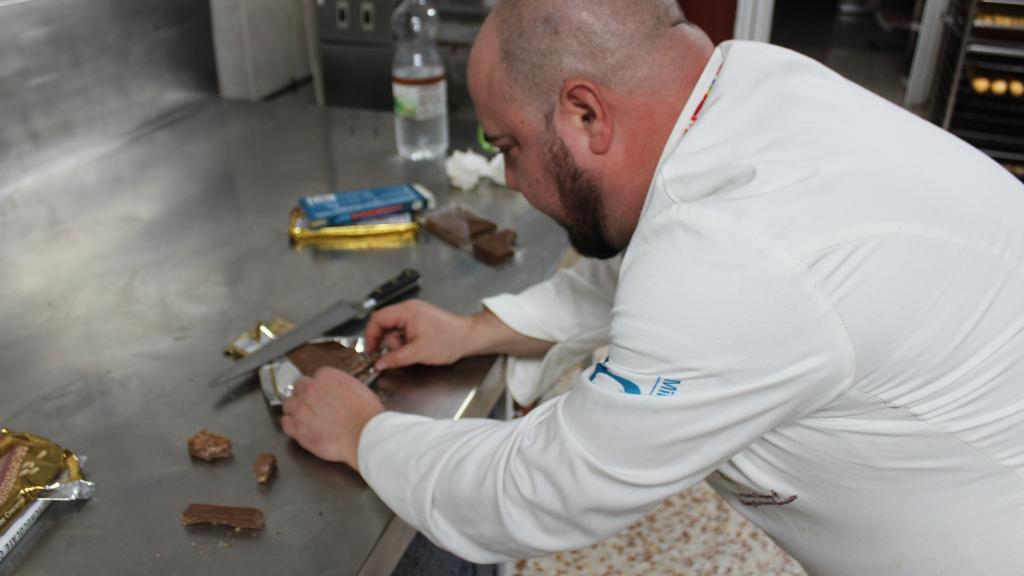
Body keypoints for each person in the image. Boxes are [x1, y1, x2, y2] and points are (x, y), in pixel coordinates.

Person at [281, 1, 1024, 573]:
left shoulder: (741, 252)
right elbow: (657, 273)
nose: (508, 177)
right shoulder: (748, 88)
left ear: (584, 114)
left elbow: (547, 487)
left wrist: (365, 434)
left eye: (508, 146)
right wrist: (476, 331)